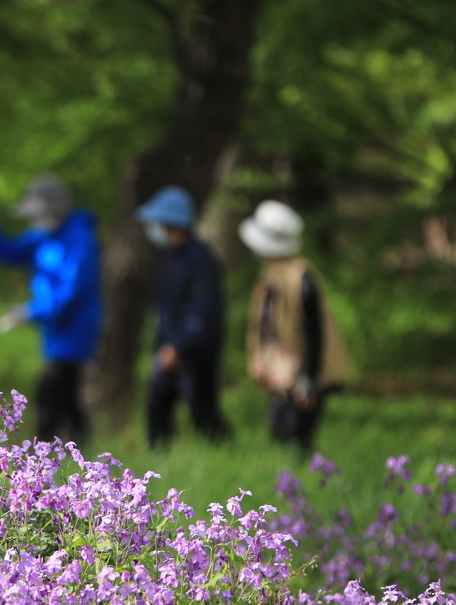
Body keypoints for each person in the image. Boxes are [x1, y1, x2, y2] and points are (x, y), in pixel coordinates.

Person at [0, 175, 101, 443]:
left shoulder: (80, 240)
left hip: (75, 326)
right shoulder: (43, 235)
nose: (35, 221)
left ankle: (40, 457)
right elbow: (13, 253)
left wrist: (30, 312)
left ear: (57, 210)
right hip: (54, 327)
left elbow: (70, 290)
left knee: (49, 392)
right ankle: (81, 450)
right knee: (66, 395)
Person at [239, 200, 351, 451]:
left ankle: (305, 481)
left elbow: (315, 331)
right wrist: (261, 357)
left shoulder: (302, 277)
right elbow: (266, 325)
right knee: (278, 430)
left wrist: (309, 380)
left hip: (306, 369)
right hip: (282, 370)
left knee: (297, 434)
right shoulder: (270, 273)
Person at [135, 185, 229, 447]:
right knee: (157, 410)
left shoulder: (199, 259)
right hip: (168, 347)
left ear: (172, 225)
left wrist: (179, 345)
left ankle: (226, 452)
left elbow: (201, 308)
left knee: (203, 412)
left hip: (194, 352)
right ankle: (156, 464)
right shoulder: (168, 256)